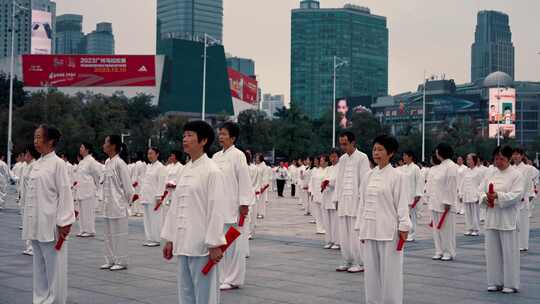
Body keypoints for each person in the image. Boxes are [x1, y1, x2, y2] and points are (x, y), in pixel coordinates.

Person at [161, 120, 226, 304]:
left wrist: (214, 243)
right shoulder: (185, 169)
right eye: (184, 135)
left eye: (190, 135)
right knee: (186, 292)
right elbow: (175, 206)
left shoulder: (212, 171)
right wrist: (170, 238)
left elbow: (216, 209)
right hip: (183, 241)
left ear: (203, 140)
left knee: (204, 295)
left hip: (202, 245)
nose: (185, 139)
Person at [22, 125, 76, 304]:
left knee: (55, 269)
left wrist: (65, 222)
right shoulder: (36, 164)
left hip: (51, 224)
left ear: (50, 141)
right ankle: (40, 299)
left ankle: (55, 300)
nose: (35, 141)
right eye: (35, 137)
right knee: (39, 267)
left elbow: (65, 193)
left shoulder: (58, 164)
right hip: (35, 223)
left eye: (39, 137)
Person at [356, 135, 411, 304]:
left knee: (390, 274)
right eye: (374, 149)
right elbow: (362, 203)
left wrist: (404, 226)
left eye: (380, 149)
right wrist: (361, 228)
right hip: (370, 230)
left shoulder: (398, 176)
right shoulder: (367, 176)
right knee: (371, 273)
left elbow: (402, 204)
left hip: (389, 231)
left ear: (390, 152)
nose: (376, 153)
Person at [212, 121, 254, 290]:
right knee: (221, 244)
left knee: (235, 246)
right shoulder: (215, 156)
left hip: (234, 207)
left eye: (223, 134)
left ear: (233, 137)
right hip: (219, 207)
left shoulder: (238, 155)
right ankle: (222, 276)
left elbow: (244, 180)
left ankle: (234, 279)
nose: (220, 137)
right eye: (219, 133)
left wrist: (244, 204)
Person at [479, 145, 523, 294]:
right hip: (491, 217)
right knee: (492, 252)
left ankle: (510, 284)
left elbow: (516, 195)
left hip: (507, 218)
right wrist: (486, 197)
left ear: (509, 158)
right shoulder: (490, 173)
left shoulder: (516, 175)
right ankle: (494, 282)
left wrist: (498, 196)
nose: (498, 162)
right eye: (496, 158)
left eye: (502, 159)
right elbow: (480, 191)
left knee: (509, 252)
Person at [335, 131, 370, 273]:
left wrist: (363, 202)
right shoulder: (342, 159)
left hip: (356, 202)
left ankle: (360, 262)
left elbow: (364, 181)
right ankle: (347, 260)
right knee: (344, 234)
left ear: (353, 142)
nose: (343, 146)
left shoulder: (362, 158)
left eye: (345, 143)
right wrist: (336, 199)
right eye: (341, 144)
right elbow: (339, 180)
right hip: (344, 201)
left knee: (355, 234)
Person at [100, 135, 134, 271]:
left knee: (119, 234)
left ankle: (121, 261)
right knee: (108, 234)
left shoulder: (120, 163)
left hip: (118, 205)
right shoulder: (107, 162)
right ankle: (110, 259)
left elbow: (128, 187)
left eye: (105, 142)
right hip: (108, 205)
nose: (103, 145)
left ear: (113, 146)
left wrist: (126, 203)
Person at [429, 143, 458, 261]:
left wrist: (448, 202)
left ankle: (448, 251)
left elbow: (450, 186)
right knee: (437, 229)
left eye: (437, 151)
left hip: (445, 204)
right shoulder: (440, 166)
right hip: (435, 202)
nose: (436, 153)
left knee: (447, 230)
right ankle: (439, 250)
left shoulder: (451, 166)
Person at [73, 143, 102, 237]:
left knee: (88, 211)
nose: (80, 149)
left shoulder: (91, 161)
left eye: (82, 147)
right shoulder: (82, 162)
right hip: (81, 190)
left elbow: (97, 175)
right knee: (81, 211)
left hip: (89, 190)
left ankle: (89, 230)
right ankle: (83, 229)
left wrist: (96, 187)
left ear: (87, 149)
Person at [140, 147, 167, 247]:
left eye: (151, 153)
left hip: (154, 197)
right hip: (146, 196)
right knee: (147, 218)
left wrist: (159, 196)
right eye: (148, 154)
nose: (149, 156)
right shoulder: (148, 167)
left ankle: (156, 239)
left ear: (157, 154)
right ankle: (149, 238)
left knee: (155, 218)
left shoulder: (160, 167)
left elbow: (161, 183)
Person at [19, 145, 41, 256]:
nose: (25, 156)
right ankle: (29, 246)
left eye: (27, 154)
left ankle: (32, 247)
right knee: (27, 223)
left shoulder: (34, 165)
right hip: (25, 197)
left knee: (32, 223)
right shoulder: (26, 166)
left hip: (32, 199)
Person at [512, 148, 535, 252]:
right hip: (512, 199)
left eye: (517, 154)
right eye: (514, 154)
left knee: (523, 223)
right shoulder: (511, 168)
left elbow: (527, 184)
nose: (515, 156)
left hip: (522, 198)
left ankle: (523, 245)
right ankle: (516, 243)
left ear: (522, 156)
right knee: (514, 223)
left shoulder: (528, 168)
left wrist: (524, 196)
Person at [400, 150, 423, 242]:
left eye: (405, 155)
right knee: (405, 216)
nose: (404, 157)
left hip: (412, 196)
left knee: (413, 216)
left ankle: (412, 234)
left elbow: (419, 182)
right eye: (403, 155)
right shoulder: (403, 168)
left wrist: (418, 195)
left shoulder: (416, 168)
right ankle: (406, 232)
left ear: (410, 157)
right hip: (404, 196)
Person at [458, 153, 483, 236]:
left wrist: (479, 195)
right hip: (466, 194)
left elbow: (481, 184)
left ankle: (475, 229)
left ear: (474, 160)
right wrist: (460, 194)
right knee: (468, 213)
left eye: (469, 159)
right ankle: (469, 228)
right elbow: (462, 183)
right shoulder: (465, 171)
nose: (468, 161)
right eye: (467, 159)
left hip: (474, 195)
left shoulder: (478, 171)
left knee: (475, 213)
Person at [321, 149, 340, 250]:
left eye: (334, 156)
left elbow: (337, 181)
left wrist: (329, 182)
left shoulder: (340, 168)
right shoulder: (328, 168)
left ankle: (337, 241)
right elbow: (324, 179)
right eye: (331, 156)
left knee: (335, 221)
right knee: (327, 221)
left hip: (334, 197)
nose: (332, 159)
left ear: (338, 157)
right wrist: (324, 183)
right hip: (326, 196)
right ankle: (329, 240)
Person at [162, 151, 184, 226]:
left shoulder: (181, 167)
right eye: (170, 156)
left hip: (174, 191)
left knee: (173, 208)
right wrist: (166, 184)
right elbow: (164, 177)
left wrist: (173, 184)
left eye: (172, 156)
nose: (170, 157)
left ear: (176, 156)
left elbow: (180, 179)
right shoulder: (168, 167)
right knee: (166, 208)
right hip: (167, 192)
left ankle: (173, 225)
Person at [310, 155, 328, 235]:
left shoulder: (328, 170)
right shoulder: (316, 170)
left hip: (324, 195)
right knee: (317, 212)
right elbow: (312, 182)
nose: (320, 162)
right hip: (316, 193)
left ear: (326, 161)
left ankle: (325, 228)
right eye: (320, 160)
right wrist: (312, 192)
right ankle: (319, 228)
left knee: (324, 212)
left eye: (322, 160)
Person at [255, 154, 271, 220]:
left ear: (260, 159)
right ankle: (257, 213)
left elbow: (265, 177)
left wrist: (263, 187)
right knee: (256, 201)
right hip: (256, 186)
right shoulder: (256, 166)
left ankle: (261, 213)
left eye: (257, 158)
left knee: (262, 201)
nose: (256, 159)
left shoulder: (264, 167)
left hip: (261, 186)